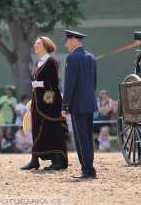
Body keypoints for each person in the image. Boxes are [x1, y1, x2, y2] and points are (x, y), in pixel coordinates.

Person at [21, 36, 68, 171]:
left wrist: (39, 84)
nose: (35, 45)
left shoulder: (51, 61)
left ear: (45, 46)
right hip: (37, 103)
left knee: (52, 130)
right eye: (35, 43)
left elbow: (53, 83)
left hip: (49, 104)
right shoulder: (39, 63)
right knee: (36, 130)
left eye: (38, 43)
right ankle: (34, 160)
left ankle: (58, 160)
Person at [61, 30, 98, 181]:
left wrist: (65, 105)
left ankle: (87, 170)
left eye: (67, 41)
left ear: (74, 40)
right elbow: (94, 82)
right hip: (89, 103)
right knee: (88, 137)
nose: (66, 44)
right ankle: (90, 168)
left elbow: (69, 85)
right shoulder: (91, 57)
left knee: (81, 139)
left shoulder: (72, 58)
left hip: (77, 105)